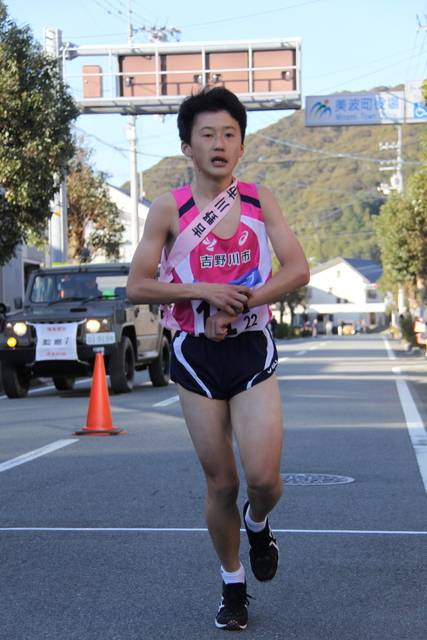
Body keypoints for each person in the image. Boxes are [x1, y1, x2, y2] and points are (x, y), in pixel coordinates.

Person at [127, 86, 310, 631]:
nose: (219, 143)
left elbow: (297, 268)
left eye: (230, 133)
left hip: (251, 348)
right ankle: (233, 583)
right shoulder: (168, 209)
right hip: (193, 354)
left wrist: (243, 300)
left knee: (264, 480)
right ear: (187, 146)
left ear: (242, 144)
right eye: (207, 134)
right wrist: (203, 290)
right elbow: (137, 286)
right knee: (221, 483)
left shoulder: (259, 200)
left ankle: (259, 523)